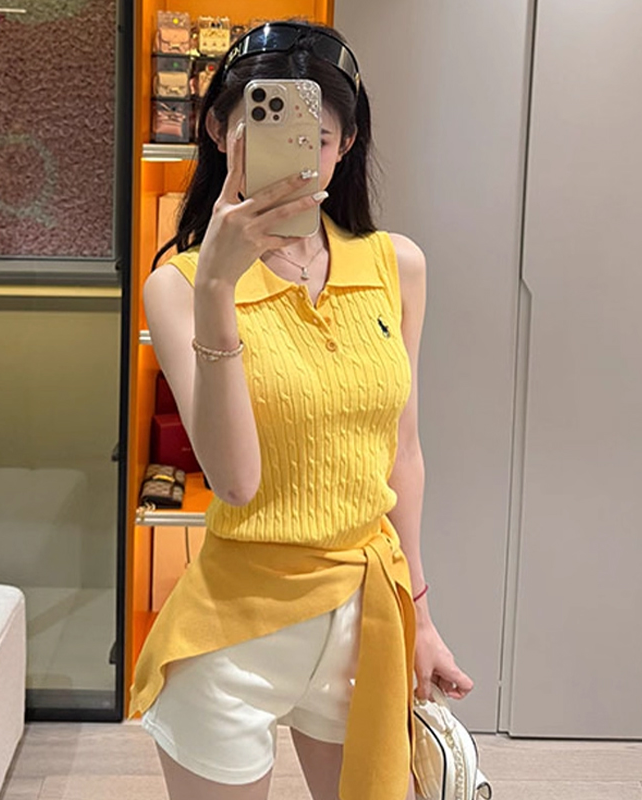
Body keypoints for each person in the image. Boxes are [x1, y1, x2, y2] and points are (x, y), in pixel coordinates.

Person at [131, 21, 474, 800]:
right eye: (266, 132)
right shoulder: (179, 286)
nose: (296, 159)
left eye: (316, 139)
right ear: (219, 131)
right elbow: (235, 481)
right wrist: (219, 289)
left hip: (364, 618)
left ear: (346, 144)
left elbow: (403, 453)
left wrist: (422, 617)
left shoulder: (397, 266)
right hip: (234, 629)